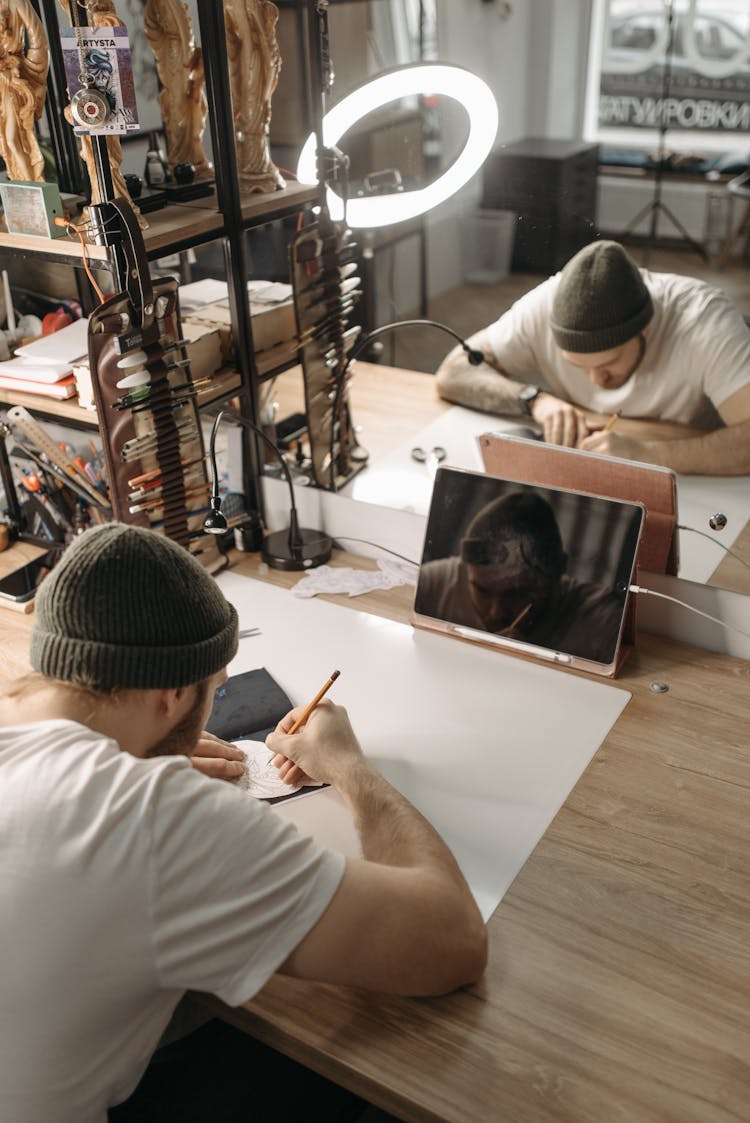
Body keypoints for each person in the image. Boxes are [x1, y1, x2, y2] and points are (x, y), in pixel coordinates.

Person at [0, 523, 486, 1122]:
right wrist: (349, 767)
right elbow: (453, 941)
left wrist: (144, 751)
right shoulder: (151, 819)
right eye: (215, 689)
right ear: (172, 696)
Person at [435, 239, 750, 476]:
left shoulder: (703, 321)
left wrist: (651, 456)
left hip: (693, 474)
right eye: (577, 366)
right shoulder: (547, 304)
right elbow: (453, 372)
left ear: (647, 327)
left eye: (608, 363)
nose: (595, 381)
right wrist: (535, 400)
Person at [415, 491, 626, 665]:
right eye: (482, 591)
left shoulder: (604, 623)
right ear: (466, 568)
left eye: (515, 594)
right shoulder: (431, 583)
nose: (496, 612)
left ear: (553, 579)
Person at [0, 0, 49, 183]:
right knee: (5, 143)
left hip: (11, 87)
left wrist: (30, 71)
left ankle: (33, 185)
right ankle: (23, 185)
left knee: (14, 140)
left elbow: (38, 37)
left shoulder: (15, 2)